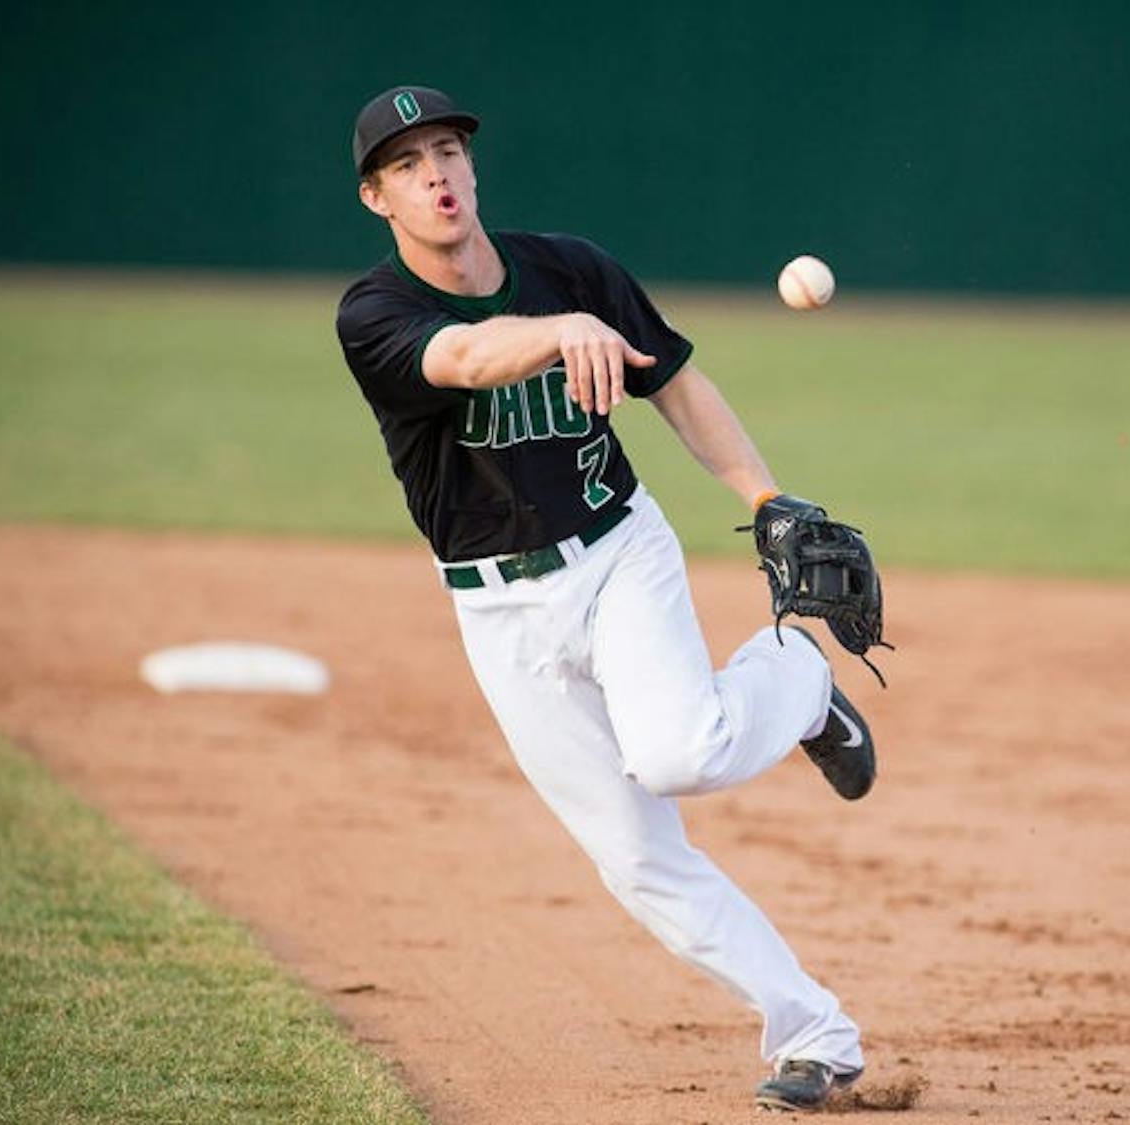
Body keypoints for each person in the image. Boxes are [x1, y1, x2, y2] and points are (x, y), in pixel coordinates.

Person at [335, 85, 877, 1113]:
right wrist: (561, 332)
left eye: (447, 150)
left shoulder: (571, 267)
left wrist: (763, 499)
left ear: (473, 166)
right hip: (497, 612)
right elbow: (463, 356)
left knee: (677, 755)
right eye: (406, 164)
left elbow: (674, 383)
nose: (435, 174)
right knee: (636, 859)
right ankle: (819, 1038)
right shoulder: (375, 314)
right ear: (378, 198)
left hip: (619, 554)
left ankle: (797, 677)